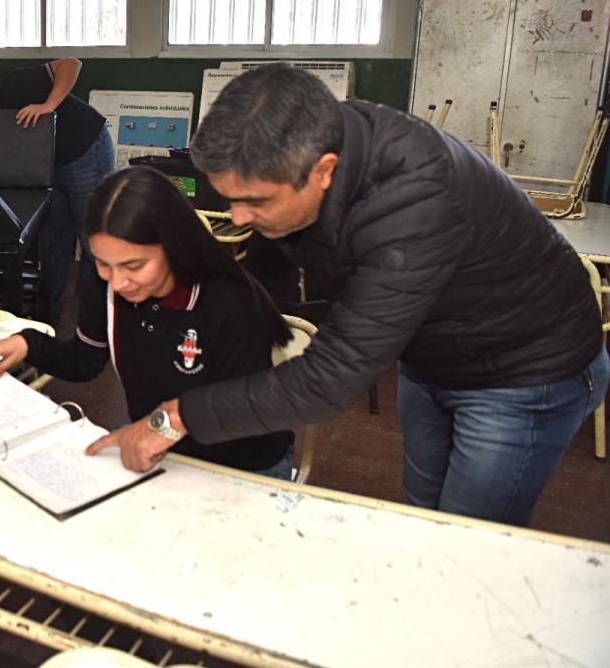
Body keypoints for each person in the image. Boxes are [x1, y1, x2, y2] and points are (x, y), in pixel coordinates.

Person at [96, 63, 608, 528]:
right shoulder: (310, 139)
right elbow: (268, 266)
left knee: (467, 538)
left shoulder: (413, 202)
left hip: (526, 369)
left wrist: (173, 418)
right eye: (231, 199)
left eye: (255, 201)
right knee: (424, 510)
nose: (238, 218)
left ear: (323, 170)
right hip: (436, 353)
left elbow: (330, 381)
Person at [0, 165, 297, 479]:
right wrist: (29, 343)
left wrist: (159, 429)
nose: (118, 282)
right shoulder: (104, 285)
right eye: (103, 263)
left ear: (175, 246)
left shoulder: (228, 300)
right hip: (157, 446)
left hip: (241, 464)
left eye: (135, 265)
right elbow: (84, 361)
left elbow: (244, 412)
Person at [0, 58, 115, 320]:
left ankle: (95, 314)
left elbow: (71, 64)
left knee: (93, 237)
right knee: (55, 242)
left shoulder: (14, 85)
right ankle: (48, 313)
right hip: (53, 165)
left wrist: (48, 106)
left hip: (85, 148)